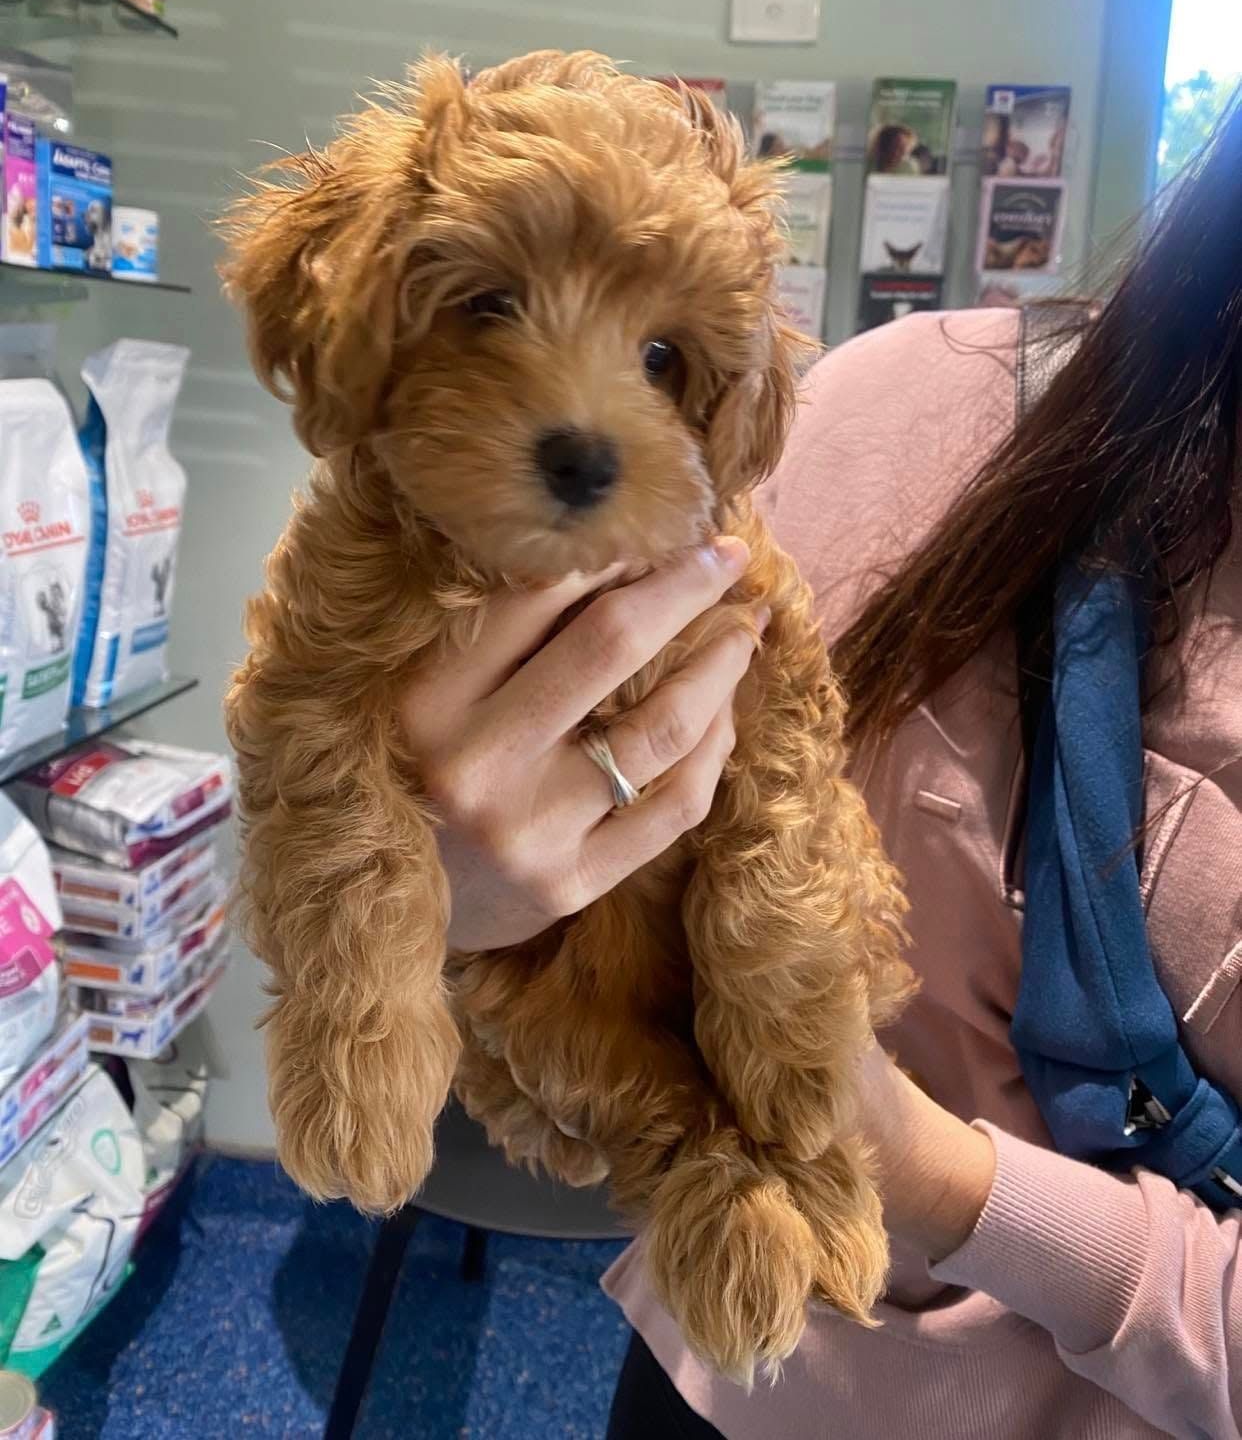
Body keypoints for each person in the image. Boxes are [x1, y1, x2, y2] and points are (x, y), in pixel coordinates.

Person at [405, 92, 1242, 1439]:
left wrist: (929, 1178)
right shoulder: (904, 409)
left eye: (658, 345)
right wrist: (461, 894)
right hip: (732, 1357)